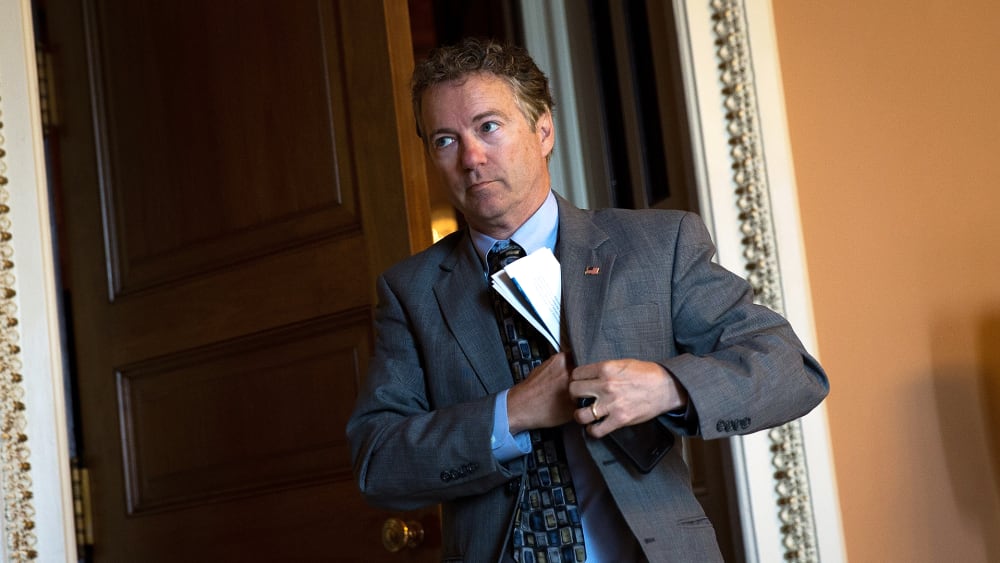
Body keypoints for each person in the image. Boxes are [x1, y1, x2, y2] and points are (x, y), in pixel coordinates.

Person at [347, 37, 828, 563]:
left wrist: (666, 387)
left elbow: (790, 370)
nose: (471, 158)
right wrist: (512, 412)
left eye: (488, 126)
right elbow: (377, 463)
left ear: (543, 129)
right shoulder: (411, 291)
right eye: (445, 140)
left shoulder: (658, 246)